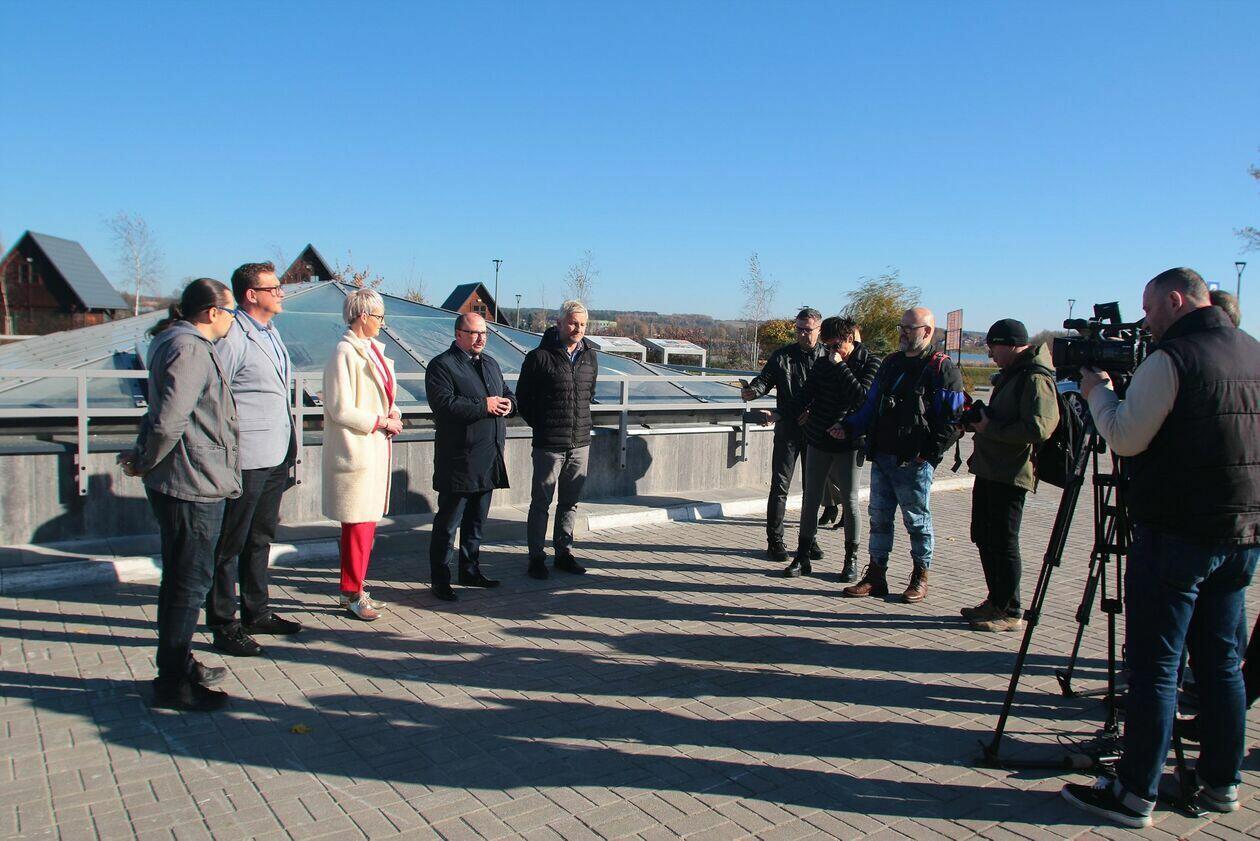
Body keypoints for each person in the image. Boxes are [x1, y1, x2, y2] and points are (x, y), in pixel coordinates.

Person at [1061, 268, 1260, 828]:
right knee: (1222, 665)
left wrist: (1097, 392)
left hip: (1178, 533)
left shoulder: (1174, 358)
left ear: (1176, 300)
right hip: (1242, 532)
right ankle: (1221, 782)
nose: (1145, 322)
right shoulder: (1252, 351)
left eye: (1149, 309)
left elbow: (1125, 436)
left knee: (1155, 666)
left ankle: (1134, 792)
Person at [121, 278, 241, 712]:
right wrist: (145, 459)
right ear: (212, 312)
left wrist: (145, 459)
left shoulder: (176, 341)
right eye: (231, 312)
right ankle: (172, 682)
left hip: (189, 478)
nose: (233, 321)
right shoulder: (189, 348)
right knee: (188, 584)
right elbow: (169, 420)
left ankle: (179, 663)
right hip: (192, 482)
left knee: (182, 579)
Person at [837, 307, 964, 603]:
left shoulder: (942, 368)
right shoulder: (891, 363)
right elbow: (871, 404)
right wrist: (849, 426)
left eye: (909, 328)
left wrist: (927, 454)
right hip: (883, 455)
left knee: (917, 521)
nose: (903, 333)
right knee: (879, 518)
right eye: (901, 327)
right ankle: (876, 576)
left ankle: (920, 576)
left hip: (914, 462)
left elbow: (953, 421)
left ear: (927, 331)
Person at [207, 262, 301, 658]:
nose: (280, 293)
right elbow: (214, 393)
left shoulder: (271, 332)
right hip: (246, 456)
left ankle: (256, 611)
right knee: (230, 542)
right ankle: (223, 623)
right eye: (273, 288)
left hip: (275, 451)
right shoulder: (233, 336)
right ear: (251, 295)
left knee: (261, 536)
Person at [960, 319, 1058, 632]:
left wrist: (991, 427)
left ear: (1011, 344)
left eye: (993, 348)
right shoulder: (1014, 373)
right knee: (984, 536)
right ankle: (996, 600)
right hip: (991, 468)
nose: (990, 355)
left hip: (1011, 473)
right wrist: (980, 420)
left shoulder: (1035, 377)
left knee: (1003, 541)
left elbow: (1039, 428)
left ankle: (1010, 609)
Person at [321, 289, 402, 621]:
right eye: (379, 317)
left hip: (372, 449)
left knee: (365, 527)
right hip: (356, 450)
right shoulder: (344, 352)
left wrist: (393, 413)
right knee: (357, 527)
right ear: (363, 316)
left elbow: (384, 395)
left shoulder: (372, 350)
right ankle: (352, 593)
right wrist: (381, 421)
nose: (382, 323)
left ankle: (353, 589)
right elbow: (340, 408)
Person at [425, 312, 515, 601]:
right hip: (459, 459)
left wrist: (510, 405)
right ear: (458, 334)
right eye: (474, 333)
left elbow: (507, 393)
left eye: (484, 333)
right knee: (448, 523)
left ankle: (470, 570)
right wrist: (483, 405)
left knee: (476, 522)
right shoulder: (442, 365)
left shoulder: (490, 364)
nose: (480, 338)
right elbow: (444, 405)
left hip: (489, 457)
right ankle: (440, 579)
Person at [741, 307, 838, 563]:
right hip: (788, 430)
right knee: (780, 487)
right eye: (799, 329)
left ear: (819, 330)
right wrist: (753, 391)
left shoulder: (828, 356)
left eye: (807, 329)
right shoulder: (783, 356)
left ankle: (809, 539)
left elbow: (834, 393)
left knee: (812, 490)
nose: (802, 334)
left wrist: (813, 412)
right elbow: (765, 380)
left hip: (816, 431)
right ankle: (775, 541)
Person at [787, 316, 879, 581]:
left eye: (835, 345)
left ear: (850, 338)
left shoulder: (871, 363)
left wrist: (840, 367)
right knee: (811, 498)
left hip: (850, 442)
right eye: (827, 346)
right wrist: (785, 413)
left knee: (849, 500)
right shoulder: (823, 361)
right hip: (819, 438)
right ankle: (803, 555)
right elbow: (806, 393)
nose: (831, 351)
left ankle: (851, 560)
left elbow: (862, 398)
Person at [515, 300, 599, 580]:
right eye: (573, 323)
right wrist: (544, 426)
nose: (578, 329)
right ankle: (536, 558)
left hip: (580, 443)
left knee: (570, 503)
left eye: (583, 324)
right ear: (560, 323)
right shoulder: (539, 357)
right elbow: (524, 399)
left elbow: (588, 394)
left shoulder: (590, 356)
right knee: (541, 503)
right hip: (549, 444)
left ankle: (564, 553)